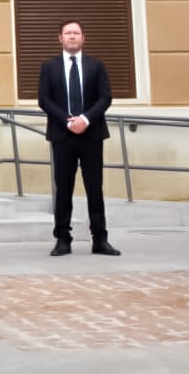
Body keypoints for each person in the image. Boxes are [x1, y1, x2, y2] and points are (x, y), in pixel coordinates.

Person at [37, 19, 120, 257]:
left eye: (76, 33)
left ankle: (100, 239)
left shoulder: (96, 66)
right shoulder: (49, 66)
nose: (72, 36)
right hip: (62, 136)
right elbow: (44, 99)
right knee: (63, 188)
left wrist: (85, 119)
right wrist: (67, 120)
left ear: (83, 38)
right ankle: (63, 239)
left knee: (95, 187)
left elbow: (105, 97)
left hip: (91, 134)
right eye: (68, 33)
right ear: (60, 38)